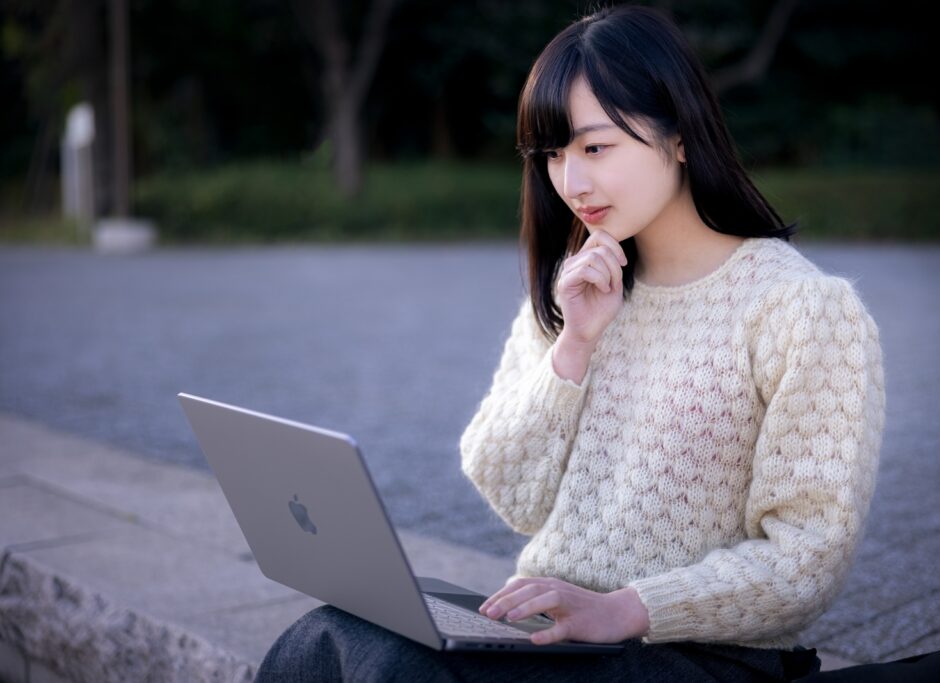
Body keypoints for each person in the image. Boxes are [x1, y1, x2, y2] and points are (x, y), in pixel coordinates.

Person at [254, 5, 885, 682]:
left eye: (594, 147)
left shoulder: (802, 308)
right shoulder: (578, 290)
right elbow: (510, 492)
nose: (571, 182)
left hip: (700, 653)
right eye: (552, 155)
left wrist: (626, 608)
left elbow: (806, 559)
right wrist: (574, 346)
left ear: (678, 136)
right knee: (329, 634)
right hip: (562, 634)